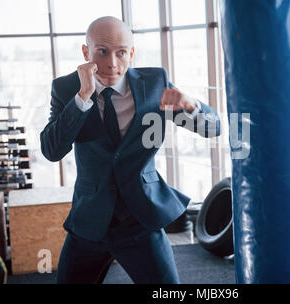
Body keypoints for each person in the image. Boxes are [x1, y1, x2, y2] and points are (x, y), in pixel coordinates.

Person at [40, 16, 221, 284]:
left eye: (121, 52)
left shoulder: (155, 83)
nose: (112, 62)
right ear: (85, 51)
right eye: (102, 51)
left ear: (131, 53)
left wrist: (191, 106)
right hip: (89, 221)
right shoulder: (66, 88)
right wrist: (83, 97)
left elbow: (213, 129)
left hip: (140, 219)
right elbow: (51, 151)